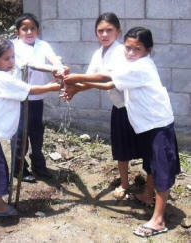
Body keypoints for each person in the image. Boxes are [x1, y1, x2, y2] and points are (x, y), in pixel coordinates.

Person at [62, 27, 180, 237]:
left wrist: (73, 78)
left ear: (148, 51)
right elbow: (109, 83)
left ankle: (159, 220)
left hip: (158, 124)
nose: (131, 53)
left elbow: (104, 78)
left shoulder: (142, 66)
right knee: (152, 164)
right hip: (148, 124)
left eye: (137, 49)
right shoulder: (131, 63)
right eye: (128, 48)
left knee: (161, 170)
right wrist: (76, 85)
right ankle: (146, 197)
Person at [0, 37, 61, 217]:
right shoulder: (1, 78)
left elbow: (24, 65)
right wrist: (52, 87)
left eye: (12, 57)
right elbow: (29, 90)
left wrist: (54, 66)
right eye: (7, 59)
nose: (12, 62)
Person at [65, 12, 141, 199]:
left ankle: (150, 188)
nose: (104, 34)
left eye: (109, 30)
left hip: (137, 107)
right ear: (96, 33)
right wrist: (74, 89)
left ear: (118, 31)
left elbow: (107, 79)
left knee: (146, 147)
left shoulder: (122, 52)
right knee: (121, 148)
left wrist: (76, 79)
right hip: (119, 107)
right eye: (100, 31)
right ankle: (125, 183)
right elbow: (90, 79)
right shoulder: (98, 54)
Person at [11, 13, 66, 182]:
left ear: (38, 30)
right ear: (17, 31)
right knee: (20, 135)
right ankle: (19, 169)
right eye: (24, 29)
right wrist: (52, 69)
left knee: (37, 133)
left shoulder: (43, 45)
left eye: (32, 28)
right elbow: (28, 64)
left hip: (37, 98)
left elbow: (53, 58)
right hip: (20, 97)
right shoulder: (13, 46)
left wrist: (59, 66)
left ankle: (38, 166)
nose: (29, 32)